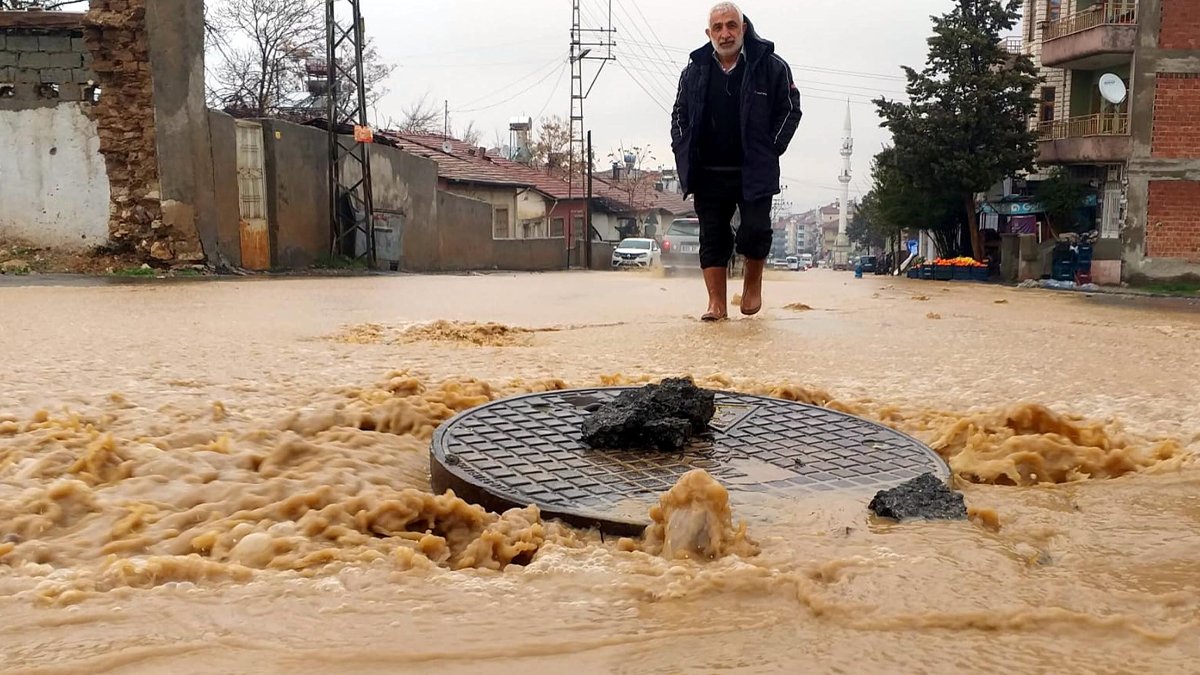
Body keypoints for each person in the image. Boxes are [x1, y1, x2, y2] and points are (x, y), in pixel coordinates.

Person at [671, 2, 802, 321]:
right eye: (718, 28)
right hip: (708, 171)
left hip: (754, 169)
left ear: (743, 28)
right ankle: (716, 304)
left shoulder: (771, 66)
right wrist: (682, 146)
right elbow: (679, 114)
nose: (725, 34)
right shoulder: (694, 70)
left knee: (755, 231)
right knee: (712, 236)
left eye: (731, 26)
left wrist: (771, 148)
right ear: (709, 33)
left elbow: (790, 110)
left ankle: (752, 285)